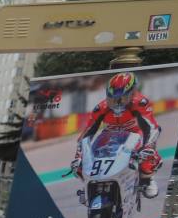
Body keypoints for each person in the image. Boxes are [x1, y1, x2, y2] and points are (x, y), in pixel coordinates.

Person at [70, 70, 163, 201]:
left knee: (148, 159)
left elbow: (152, 127)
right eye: (112, 97)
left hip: (135, 136)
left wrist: (148, 147)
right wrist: (79, 156)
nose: (117, 102)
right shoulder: (101, 108)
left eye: (122, 97)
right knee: (78, 167)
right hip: (109, 138)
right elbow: (87, 133)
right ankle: (88, 187)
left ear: (132, 93)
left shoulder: (140, 102)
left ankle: (147, 180)